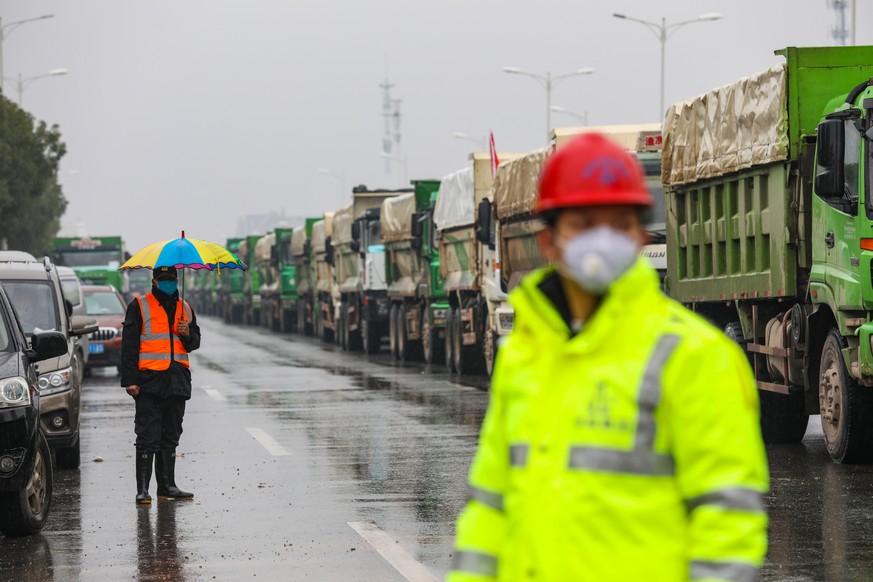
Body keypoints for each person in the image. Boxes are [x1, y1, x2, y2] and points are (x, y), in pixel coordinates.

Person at [448, 133, 769, 581]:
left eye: (619, 223)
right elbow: (490, 505)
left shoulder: (694, 356)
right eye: (584, 223)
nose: (603, 239)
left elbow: (728, 523)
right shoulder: (525, 353)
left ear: (640, 235)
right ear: (548, 241)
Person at [121, 265, 201, 504]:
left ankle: (167, 486)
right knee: (147, 436)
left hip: (177, 382)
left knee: (171, 436)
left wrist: (187, 333)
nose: (168, 283)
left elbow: (195, 343)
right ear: (154, 281)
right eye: (163, 279)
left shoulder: (185, 307)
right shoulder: (139, 306)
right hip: (149, 383)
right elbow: (129, 346)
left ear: (177, 280)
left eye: (172, 279)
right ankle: (143, 490)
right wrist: (131, 380)